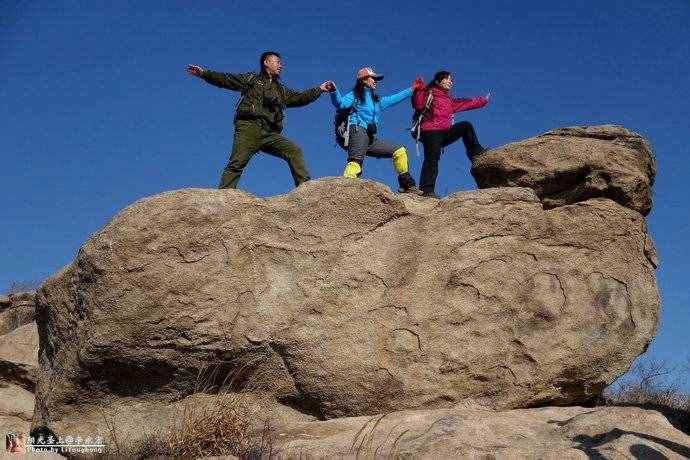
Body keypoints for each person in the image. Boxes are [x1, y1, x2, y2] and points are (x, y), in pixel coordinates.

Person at [187, 51, 335, 189]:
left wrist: (319, 89)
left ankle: (305, 189)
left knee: (294, 150)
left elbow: (300, 97)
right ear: (266, 62)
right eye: (277, 62)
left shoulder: (281, 90)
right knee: (237, 163)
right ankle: (224, 196)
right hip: (249, 128)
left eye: (280, 63)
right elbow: (226, 79)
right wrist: (204, 74)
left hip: (270, 133)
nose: (280, 65)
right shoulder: (251, 79)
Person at [329, 67, 424, 194]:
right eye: (373, 78)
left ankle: (406, 185)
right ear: (363, 80)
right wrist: (334, 91)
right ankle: (345, 189)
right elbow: (340, 103)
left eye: (376, 79)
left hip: (370, 138)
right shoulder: (354, 96)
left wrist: (413, 89)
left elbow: (394, 98)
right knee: (355, 161)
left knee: (400, 151)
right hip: (357, 131)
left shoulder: (377, 101)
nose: (375, 81)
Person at [412, 71, 490, 198]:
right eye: (447, 79)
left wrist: (483, 100)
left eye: (451, 80)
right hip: (430, 131)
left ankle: (475, 152)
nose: (450, 81)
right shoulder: (429, 93)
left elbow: (466, 103)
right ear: (438, 81)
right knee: (432, 159)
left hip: (444, 132)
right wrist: (419, 88)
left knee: (466, 126)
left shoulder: (448, 100)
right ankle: (426, 190)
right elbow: (418, 103)